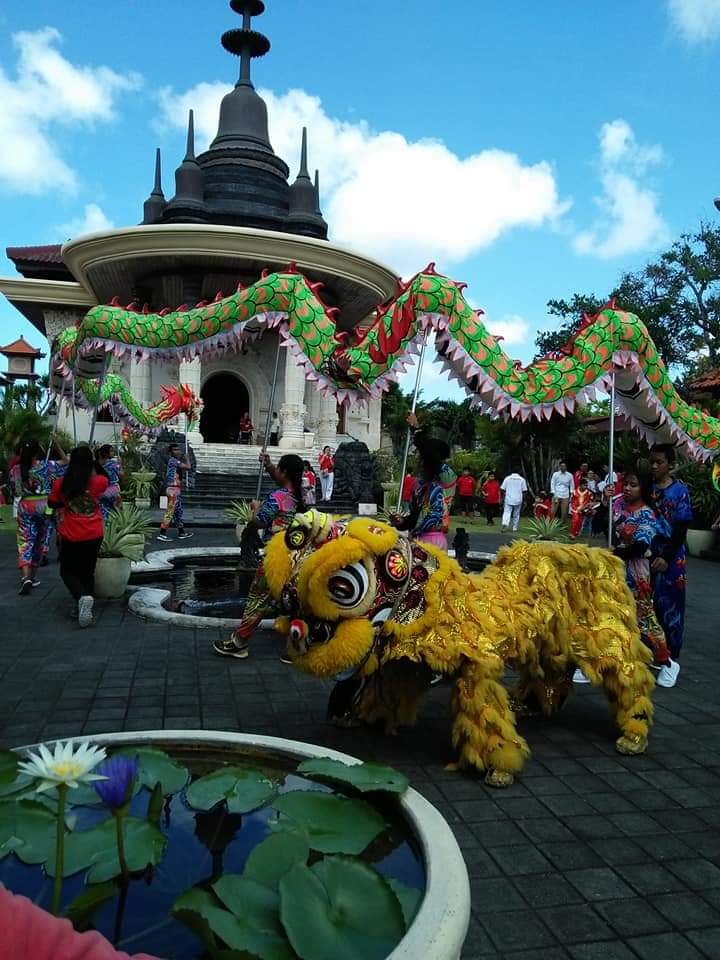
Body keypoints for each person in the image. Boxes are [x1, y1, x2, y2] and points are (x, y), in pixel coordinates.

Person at [574, 465, 674, 685]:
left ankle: (667, 662)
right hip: (612, 569)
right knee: (603, 611)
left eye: (633, 485)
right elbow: (601, 527)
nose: (627, 488)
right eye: (626, 484)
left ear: (644, 488)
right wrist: (605, 503)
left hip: (636, 573)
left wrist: (614, 553)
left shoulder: (648, 513)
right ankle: (594, 662)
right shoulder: (617, 504)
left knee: (644, 619)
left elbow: (639, 547)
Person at [213, 453, 304, 659]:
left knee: (257, 597)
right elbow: (283, 481)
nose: (277, 472)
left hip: (276, 557)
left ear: (285, 472)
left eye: (279, 468)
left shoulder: (277, 498)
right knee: (295, 602)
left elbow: (259, 521)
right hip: (298, 556)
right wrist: (270, 465)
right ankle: (295, 648)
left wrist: (256, 509)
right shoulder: (303, 496)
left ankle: (240, 642)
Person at [48, 446, 109, 628]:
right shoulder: (99, 481)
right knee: (87, 571)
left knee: (67, 571)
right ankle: (85, 604)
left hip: (72, 534)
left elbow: (52, 502)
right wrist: (94, 463)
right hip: (94, 533)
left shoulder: (61, 483)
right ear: (90, 462)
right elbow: (104, 474)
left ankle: (81, 599)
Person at [650, 444, 693, 680]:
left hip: (671, 556)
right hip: (646, 553)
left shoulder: (679, 491)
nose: (655, 466)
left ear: (670, 464)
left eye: (660, 462)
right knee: (647, 604)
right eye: (652, 462)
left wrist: (666, 557)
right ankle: (652, 652)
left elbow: (681, 528)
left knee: (671, 605)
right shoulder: (646, 488)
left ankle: (671, 659)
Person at [390, 413, 456, 550]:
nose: (420, 461)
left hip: (434, 541)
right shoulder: (419, 486)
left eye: (422, 457)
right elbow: (414, 518)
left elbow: (431, 458)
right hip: (416, 540)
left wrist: (416, 429)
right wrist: (401, 522)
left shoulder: (447, 477)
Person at [12, 439, 67, 595]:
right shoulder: (46, 465)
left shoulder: (16, 469)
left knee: (25, 541)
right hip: (44, 506)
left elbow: (15, 491)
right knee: (40, 540)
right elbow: (65, 461)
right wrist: (57, 445)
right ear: (37, 452)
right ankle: (33, 577)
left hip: (26, 506)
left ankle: (26, 577)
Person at [157, 444, 193, 542]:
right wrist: (187, 458)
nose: (177, 451)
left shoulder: (174, 461)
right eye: (175, 450)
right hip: (172, 489)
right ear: (171, 452)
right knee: (170, 511)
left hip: (175, 489)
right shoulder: (173, 460)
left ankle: (181, 532)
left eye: (178, 449)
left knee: (178, 512)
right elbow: (188, 467)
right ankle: (162, 533)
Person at [97, 444, 123, 521]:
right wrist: (120, 464)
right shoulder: (113, 464)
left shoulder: (97, 464)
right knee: (116, 508)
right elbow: (121, 474)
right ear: (106, 453)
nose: (113, 452)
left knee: (104, 507)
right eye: (111, 451)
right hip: (112, 489)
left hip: (101, 490)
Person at [500, 467, 527, 532]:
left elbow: (502, 489)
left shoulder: (507, 478)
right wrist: (525, 500)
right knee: (516, 514)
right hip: (518, 499)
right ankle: (515, 527)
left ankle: (505, 524)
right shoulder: (522, 479)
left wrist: (503, 497)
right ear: (519, 472)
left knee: (507, 512)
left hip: (508, 498)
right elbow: (524, 491)